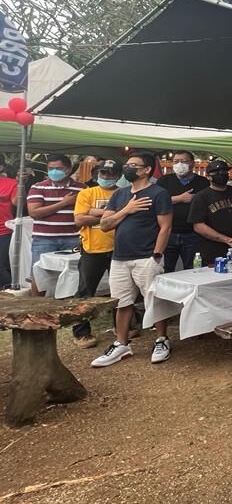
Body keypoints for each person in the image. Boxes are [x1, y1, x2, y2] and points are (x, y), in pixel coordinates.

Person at [90, 153, 173, 367]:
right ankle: (121, 344)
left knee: (154, 299)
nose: (128, 168)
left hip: (147, 256)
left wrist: (157, 255)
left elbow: (165, 226)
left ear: (146, 170)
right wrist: (126, 210)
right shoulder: (120, 195)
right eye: (127, 165)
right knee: (121, 302)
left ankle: (162, 339)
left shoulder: (158, 193)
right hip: (120, 257)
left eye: (133, 166)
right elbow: (106, 224)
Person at [71, 159, 121, 348]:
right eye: (103, 173)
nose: (107, 177)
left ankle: (121, 326)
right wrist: (111, 213)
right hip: (92, 248)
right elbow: (79, 220)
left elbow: (128, 214)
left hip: (119, 248)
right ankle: (81, 333)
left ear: (118, 175)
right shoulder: (87, 193)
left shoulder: (122, 193)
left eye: (111, 173)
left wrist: (95, 212)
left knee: (120, 291)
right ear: (97, 174)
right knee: (85, 292)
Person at [26, 154, 85, 293]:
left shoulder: (82, 188)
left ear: (69, 169)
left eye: (59, 168)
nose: (54, 171)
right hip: (44, 239)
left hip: (73, 238)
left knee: (73, 275)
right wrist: (64, 203)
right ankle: (36, 308)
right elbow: (34, 212)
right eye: (51, 168)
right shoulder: (38, 187)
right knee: (39, 274)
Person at [188, 160, 232, 265]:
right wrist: (227, 240)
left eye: (224, 172)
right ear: (208, 176)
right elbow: (198, 225)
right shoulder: (201, 197)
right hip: (213, 252)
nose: (221, 175)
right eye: (217, 173)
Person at [155, 150, 209, 272]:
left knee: (193, 269)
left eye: (184, 161)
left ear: (192, 163)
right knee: (164, 269)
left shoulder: (203, 182)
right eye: (176, 161)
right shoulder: (164, 181)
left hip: (193, 234)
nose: (180, 164)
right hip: (168, 233)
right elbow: (156, 202)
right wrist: (179, 198)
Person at [0, 165, 18, 288]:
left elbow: (17, 203)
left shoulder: (11, 183)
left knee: (2, 266)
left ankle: (8, 289)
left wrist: (21, 184)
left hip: (3, 231)